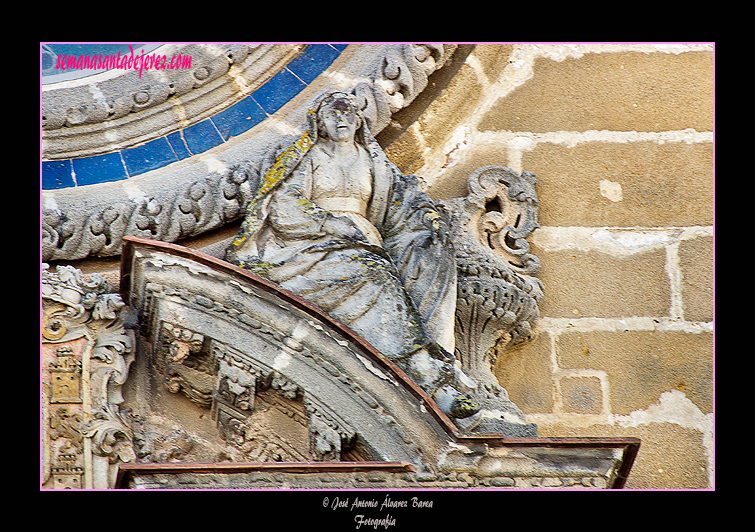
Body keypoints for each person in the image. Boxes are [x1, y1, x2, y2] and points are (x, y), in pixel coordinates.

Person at [225, 91, 479, 421]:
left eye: (347, 114)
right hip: (314, 249)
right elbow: (285, 206)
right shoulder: (310, 158)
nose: (341, 119)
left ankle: (433, 369)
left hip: (369, 248)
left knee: (417, 256)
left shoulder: (373, 162)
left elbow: (402, 204)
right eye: (332, 114)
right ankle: (429, 379)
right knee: (375, 276)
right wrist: (332, 224)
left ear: (359, 120)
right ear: (319, 123)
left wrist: (427, 220)